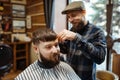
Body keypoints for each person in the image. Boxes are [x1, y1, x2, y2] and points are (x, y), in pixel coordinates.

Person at [57, 1, 106, 80]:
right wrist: (59, 43)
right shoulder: (72, 30)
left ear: (84, 12)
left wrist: (76, 38)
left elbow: (100, 58)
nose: (70, 20)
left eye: (73, 15)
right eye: (68, 17)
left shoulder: (97, 32)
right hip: (69, 77)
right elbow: (66, 50)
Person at [15, 27, 81, 80]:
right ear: (36, 49)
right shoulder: (26, 76)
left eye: (56, 45)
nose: (55, 51)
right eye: (48, 47)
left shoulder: (66, 67)